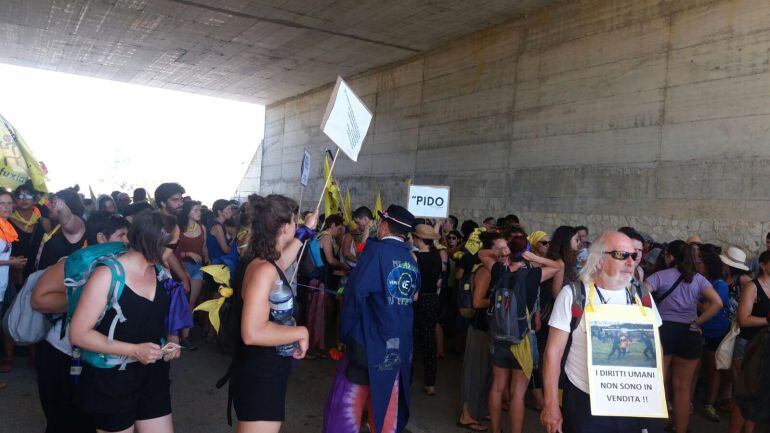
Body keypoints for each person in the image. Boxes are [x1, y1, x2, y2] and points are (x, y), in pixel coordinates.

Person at [69, 211, 182, 433]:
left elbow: (161, 316)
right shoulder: (107, 276)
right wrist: (133, 350)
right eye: (174, 246)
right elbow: (79, 334)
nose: (175, 251)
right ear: (155, 244)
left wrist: (172, 338)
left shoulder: (160, 273)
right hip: (112, 378)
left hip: (153, 374)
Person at [541, 232, 664, 433]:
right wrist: (551, 404)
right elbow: (552, 354)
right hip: (587, 403)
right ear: (598, 260)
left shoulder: (643, 297)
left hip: (637, 402)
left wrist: (656, 395)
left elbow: (656, 349)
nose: (630, 262)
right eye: (621, 255)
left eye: (633, 256)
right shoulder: (573, 295)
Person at [323, 205, 420, 433]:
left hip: (369, 340)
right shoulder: (411, 258)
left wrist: (344, 335)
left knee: (351, 401)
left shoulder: (375, 252)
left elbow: (354, 296)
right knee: (388, 400)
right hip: (400, 342)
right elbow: (413, 296)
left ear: (384, 226)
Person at [32, 211, 130, 433]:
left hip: (95, 357)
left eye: (128, 235)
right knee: (63, 419)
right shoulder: (74, 263)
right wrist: (90, 298)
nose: (127, 241)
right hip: (61, 354)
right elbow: (39, 300)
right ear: (101, 238)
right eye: (121, 235)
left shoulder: (123, 266)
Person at [229, 195, 316, 433]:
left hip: (263, 369)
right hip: (259, 373)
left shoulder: (260, 261)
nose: (297, 226)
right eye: (296, 222)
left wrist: (305, 232)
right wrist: (300, 331)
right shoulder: (264, 269)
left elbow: (282, 263)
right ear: (286, 227)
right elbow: (253, 332)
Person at [482, 244, 562, 433]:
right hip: (522, 340)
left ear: (509, 252)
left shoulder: (498, 270)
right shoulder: (533, 275)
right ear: (526, 252)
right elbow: (557, 267)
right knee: (518, 394)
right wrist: (537, 258)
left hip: (498, 337)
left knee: (497, 387)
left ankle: (495, 430)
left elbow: (481, 254)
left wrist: (499, 253)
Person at [645, 240, 723, 433]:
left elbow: (641, 295)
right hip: (689, 332)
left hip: (664, 330)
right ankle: (682, 429)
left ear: (670, 256)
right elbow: (718, 303)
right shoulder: (698, 279)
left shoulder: (660, 276)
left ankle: (657, 425)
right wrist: (698, 322)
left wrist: (649, 319)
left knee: (659, 382)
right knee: (683, 387)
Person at [728, 250, 770, 433]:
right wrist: (767, 321)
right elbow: (743, 319)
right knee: (745, 394)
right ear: (762, 264)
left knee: (758, 397)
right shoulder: (752, 287)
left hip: (766, 346)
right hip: (749, 344)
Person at [698, 245, 731, 422]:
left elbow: (706, 307)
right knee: (704, 368)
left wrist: (694, 298)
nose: (698, 266)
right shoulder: (707, 283)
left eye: (701, 263)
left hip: (714, 332)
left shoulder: (719, 285)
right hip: (705, 330)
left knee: (713, 369)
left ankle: (710, 402)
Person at [0, 189, 28, 381]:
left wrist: (11, 259)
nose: (7, 207)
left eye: (9, 203)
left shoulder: (5, 227)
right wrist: (12, 262)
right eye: (2, 203)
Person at [412, 224, 442, 396]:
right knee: (429, 341)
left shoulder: (415, 256)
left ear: (419, 239)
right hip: (432, 298)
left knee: (413, 338)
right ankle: (431, 383)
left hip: (418, 299)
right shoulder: (437, 255)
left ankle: (407, 377)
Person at [176, 200, 209, 349]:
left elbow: (204, 247)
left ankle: (185, 337)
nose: (199, 213)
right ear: (187, 212)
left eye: (200, 210)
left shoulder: (202, 228)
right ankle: (174, 334)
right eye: (196, 210)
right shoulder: (179, 229)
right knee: (179, 302)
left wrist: (207, 259)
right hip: (181, 267)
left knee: (191, 302)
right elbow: (172, 252)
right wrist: (186, 253)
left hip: (197, 267)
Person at [36, 187, 87, 272]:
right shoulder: (57, 224)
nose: (49, 206)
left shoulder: (76, 223)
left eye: (53, 203)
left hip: (60, 281)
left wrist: (62, 208)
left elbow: (68, 220)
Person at [9, 181, 50, 284]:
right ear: (15, 199)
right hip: (10, 275)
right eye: (20, 195)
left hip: (34, 276)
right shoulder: (7, 222)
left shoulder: (43, 223)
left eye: (28, 195)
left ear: (35, 199)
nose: (24, 199)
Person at [207, 199, 239, 278]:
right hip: (220, 261)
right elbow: (225, 250)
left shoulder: (220, 224)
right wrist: (234, 238)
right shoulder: (217, 227)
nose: (231, 211)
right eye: (228, 209)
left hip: (220, 260)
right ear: (219, 212)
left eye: (231, 209)